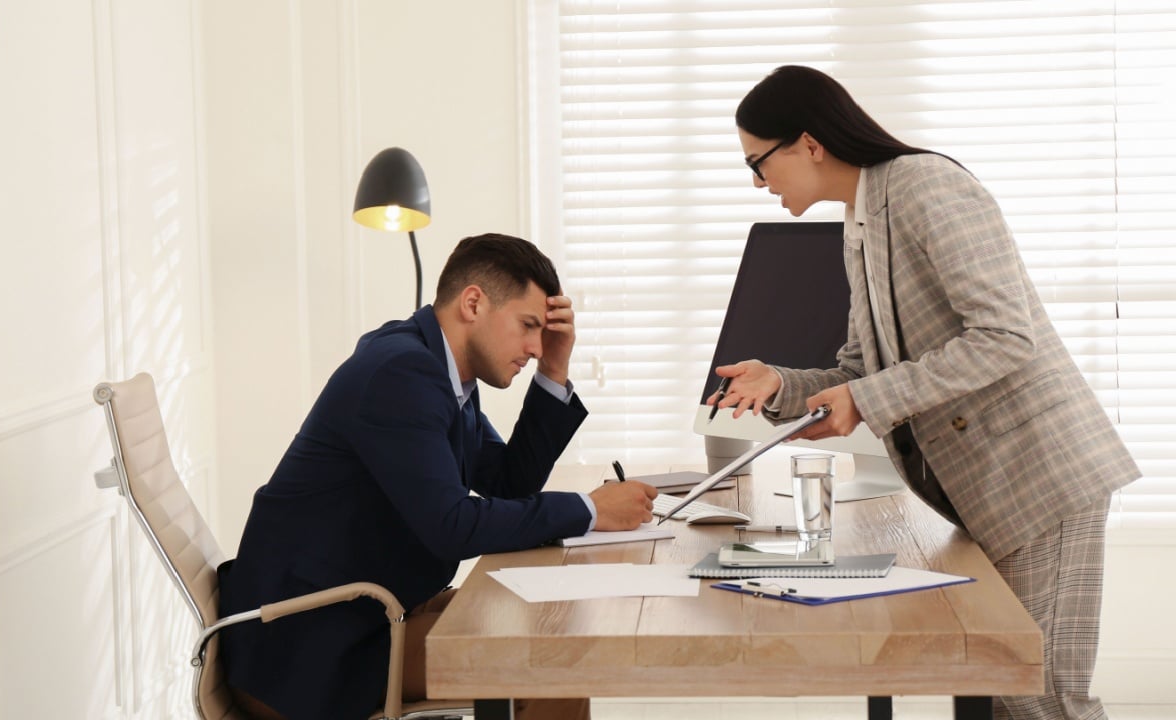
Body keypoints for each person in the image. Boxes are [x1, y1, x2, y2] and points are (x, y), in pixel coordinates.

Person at [712, 65, 1138, 720]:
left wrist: (869, 400)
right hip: (987, 488)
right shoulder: (859, 222)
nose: (757, 183)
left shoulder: (927, 188)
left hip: (1040, 478)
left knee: (1045, 702)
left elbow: (1003, 337)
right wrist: (782, 384)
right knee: (1006, 692)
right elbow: (861, 368)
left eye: (758, 163)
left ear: (808, 144)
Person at [218, 232, 657, 720]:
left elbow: (509, 483)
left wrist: (555, 369)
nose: (535, 347)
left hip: (366, 617)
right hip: (309, 654)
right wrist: (591, 510)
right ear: (474, 302)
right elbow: (452, 525)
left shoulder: (443, 372)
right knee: (551, 659)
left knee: (557, 632)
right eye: (528, 326)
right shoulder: (402, 372)